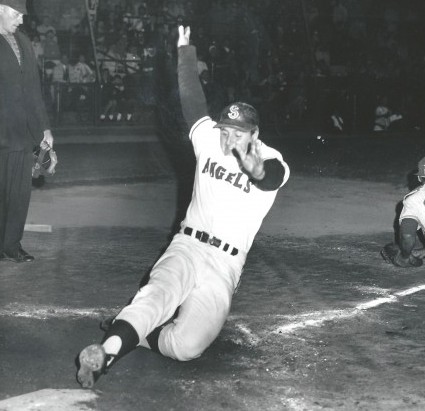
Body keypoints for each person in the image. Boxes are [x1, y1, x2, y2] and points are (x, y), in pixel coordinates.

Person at [76, 25, 290, 388]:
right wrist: (185, 52)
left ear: (254, 134)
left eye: (237, 133)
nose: (228, 138)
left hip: (225, 264)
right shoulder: (208, 140)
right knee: (156, 296)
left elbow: (270, 177)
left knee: (187, 347)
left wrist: (255, 168)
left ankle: (134, 331)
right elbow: (192, 101)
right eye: (225, 130)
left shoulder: (272, 159)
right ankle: (103, 356)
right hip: (187, 246)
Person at [0, 0, 54, 263]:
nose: (21, 20)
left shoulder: (23, 42)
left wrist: (44, 128)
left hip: (22, 134)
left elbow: (34, 89)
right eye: (16, 13)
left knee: (20, 192)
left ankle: (11, 244)